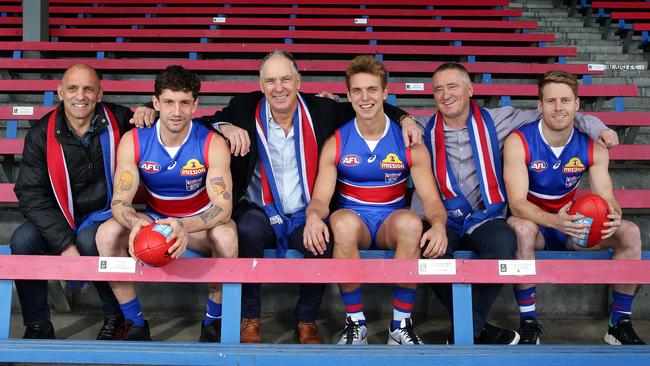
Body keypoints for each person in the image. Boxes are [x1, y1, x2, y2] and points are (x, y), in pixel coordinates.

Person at [130, 50, 423, 344]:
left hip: (305, 209)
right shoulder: (243, 108)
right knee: (246, 234)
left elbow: (367, 107)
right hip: (260, 207)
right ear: (261, 85)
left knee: (322, 240)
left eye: (285, 79)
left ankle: (306, 319)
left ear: (298, 81)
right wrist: (224, 125)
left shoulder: (322, 109)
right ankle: (250, 319)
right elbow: (197, 118)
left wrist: (406, 118)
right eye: (270, 80)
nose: (278, 87)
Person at [411, 62, 617, 345]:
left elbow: (558, 113)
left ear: (470, 89)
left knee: (503, 244)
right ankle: (474, 328)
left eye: (453, 86)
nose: (445, 95)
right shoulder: (421, 127)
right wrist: (404, 119)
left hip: (484, 216)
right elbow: (385, 117)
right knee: (429, 250)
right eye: (438, 89)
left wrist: (597, 126)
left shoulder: (499, 119)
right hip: (441, 217)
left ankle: (467, 327)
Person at [304, 55, 448, 345]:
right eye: (357, 91)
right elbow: (320, 199)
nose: (364, 97)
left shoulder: (409, 141)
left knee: (411, 223)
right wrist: (312, 217)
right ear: (348, 95)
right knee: (340, 222)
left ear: (385, 93)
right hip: (354, 221)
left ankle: (401, 325)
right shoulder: (337, 141)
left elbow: (431, 201)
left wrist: (440, 225)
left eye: (372, 90)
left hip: (389, 223)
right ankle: (356, 324)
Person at [95, 65, 237, 342]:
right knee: (107, 233)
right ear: (156, 102)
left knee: (227, 235)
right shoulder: (134, 140)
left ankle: (213, 321)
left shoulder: (212, 143)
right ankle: (135, 322)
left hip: (196, 225)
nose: (176, 111)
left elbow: (223, 207)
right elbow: (120, 201)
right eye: (169, 102)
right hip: (153, 221)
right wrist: (136, 221)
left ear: (195, 104)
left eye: (185, 102)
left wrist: (183, 226)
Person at [503, 70, 645, 346]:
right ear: (539, 105)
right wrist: (554, 221)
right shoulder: (518, 141)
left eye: (566, 101)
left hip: (573, 225)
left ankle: (619, 324)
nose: (559, 108)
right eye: (552, 101)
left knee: (630, 233)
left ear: (577, 105)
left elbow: (605, 193)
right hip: (537, 224)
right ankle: (529, 322)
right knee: (521, 229)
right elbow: (518, 204)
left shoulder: (594, 144)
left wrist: (613, 212)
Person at [10, 64, 134, 340]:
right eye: (73, 88)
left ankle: (116, 318)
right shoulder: (41, 134)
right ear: (60, 92)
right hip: (57, 216)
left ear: (100, 93)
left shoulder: (121, 120)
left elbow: (166, 126)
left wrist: (150, 115)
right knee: (22, 241)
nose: (81, 95)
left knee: (95, 241)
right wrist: (64, 243)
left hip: (104, 214)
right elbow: (31, 194)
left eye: (89, 88)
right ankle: (38, 324)